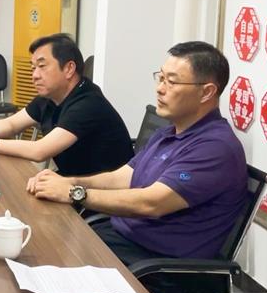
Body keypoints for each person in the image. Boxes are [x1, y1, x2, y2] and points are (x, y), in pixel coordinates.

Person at [29, 41, 247, 265]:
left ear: (207, 92)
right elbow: (121, 177)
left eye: (172, 82)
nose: (160, 88)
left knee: (45, 257)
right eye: (160, 78)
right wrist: (69, 182)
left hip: (155, 263)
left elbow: (151, 204)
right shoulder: (168, 132)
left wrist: (74, 193)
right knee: (38, 238)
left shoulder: (214, 148)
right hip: (121, 237)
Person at [0, 34, 133, 177]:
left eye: (42, 66)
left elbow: (39, 151)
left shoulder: (88, 104)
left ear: (69, 69)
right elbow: (12, 124)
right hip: (72, 182)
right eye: (33, 68)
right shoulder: (50, 97)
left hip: (103, 196)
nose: (35, 75)